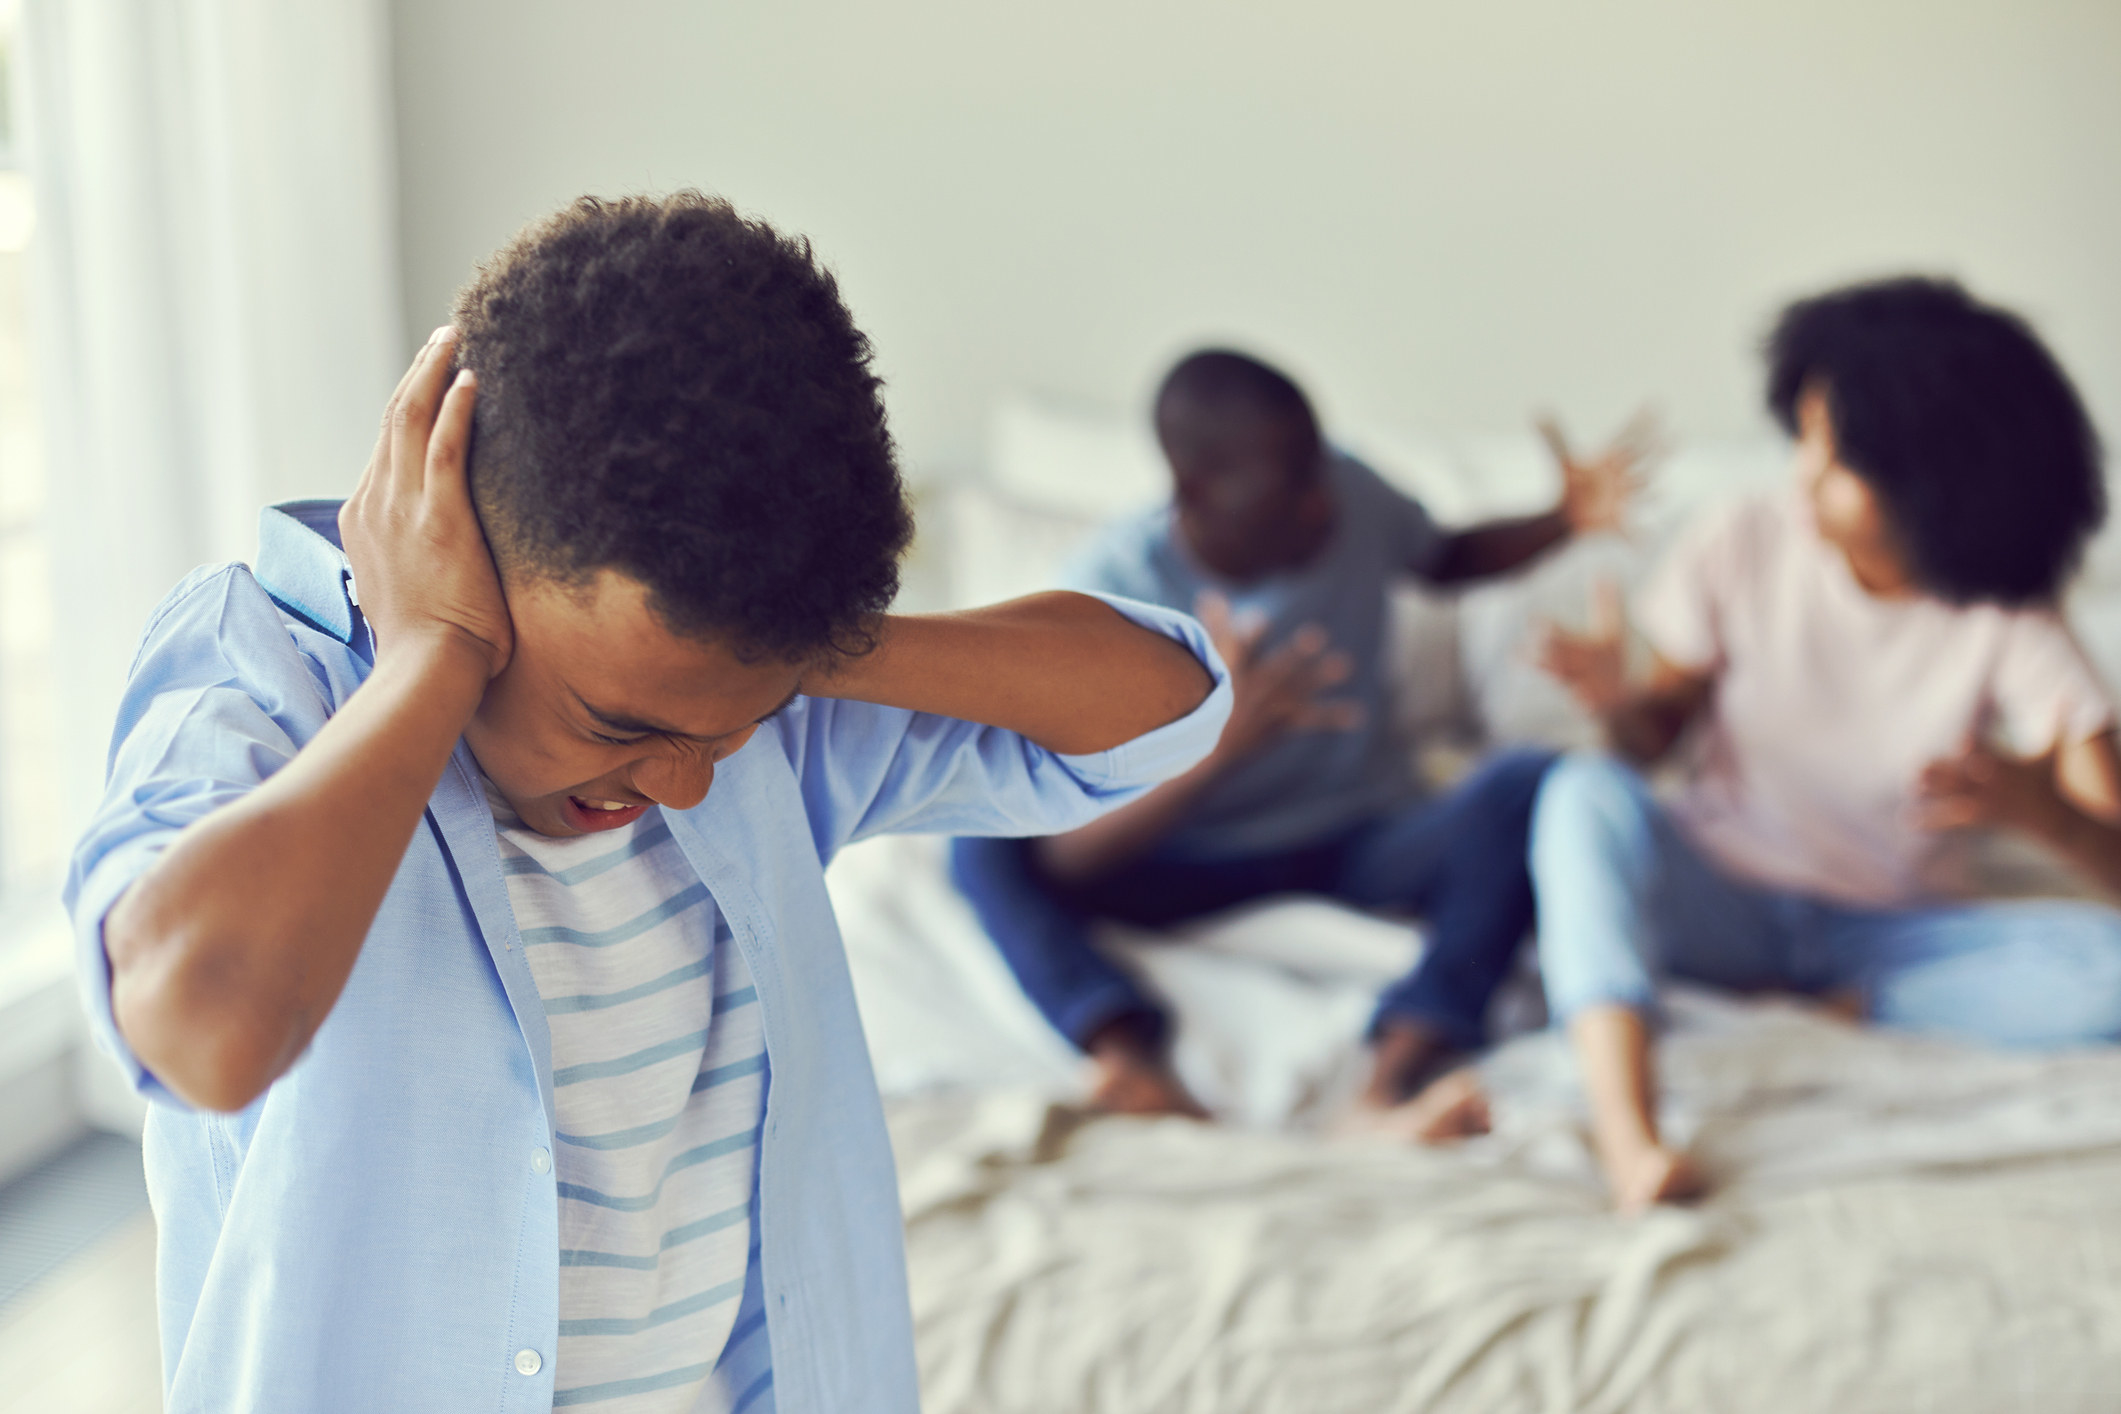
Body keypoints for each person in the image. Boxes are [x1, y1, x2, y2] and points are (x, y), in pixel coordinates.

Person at [65, 194, 1231, 1414]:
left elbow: (1164, 705)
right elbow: (199, 1027)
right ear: (462, 536)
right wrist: (429, 658)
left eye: (727, 726)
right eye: (621, 725)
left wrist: (788, 651)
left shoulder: (767, 717)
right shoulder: (259, 673)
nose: (684, 782)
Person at [949, 349, 1653, 1133]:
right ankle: (1126, 1060)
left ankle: (1389, 1083)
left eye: (1316, 469)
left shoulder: (1344, 490)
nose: (1321, 507)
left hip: (1357, 832)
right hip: (1185, 855)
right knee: (977, 838)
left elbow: (1443, 557)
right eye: (1289, 492)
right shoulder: (1110, 598)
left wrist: (1560, 520)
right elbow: (1067, 855)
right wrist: (1216, 747)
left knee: (1529, 782)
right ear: (1195, 491)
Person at [1532, 276, 2121, 1211]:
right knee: (1577, 794)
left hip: (1886, 934)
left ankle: (1826, 1017)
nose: (1801, 472)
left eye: (1833, 453)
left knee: (2110, 971)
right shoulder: (1744, 535)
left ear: (1930, 483)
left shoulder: (2006, 612)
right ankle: (1628, 1134)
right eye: (1802, 437)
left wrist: (2046, 816)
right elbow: (1653, 739)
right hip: (1718, 895)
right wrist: (1617, 705)